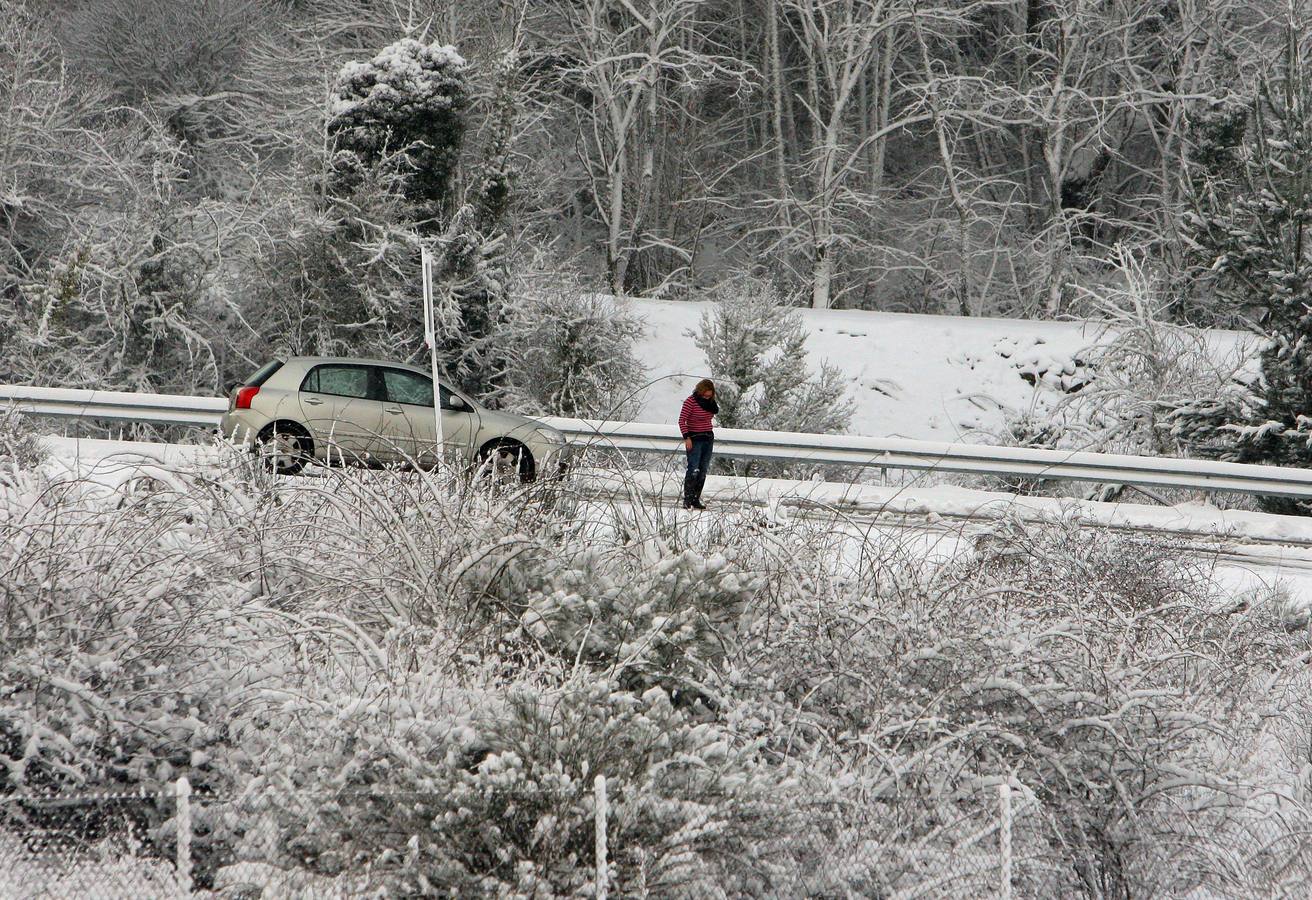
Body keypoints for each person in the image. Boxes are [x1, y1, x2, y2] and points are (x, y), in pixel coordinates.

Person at [678, 379, 718, 510]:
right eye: (705, 395)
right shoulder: (691, 402)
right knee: (693, 469)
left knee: (703, 469)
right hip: (694, 438)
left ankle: (696, 499)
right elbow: (682, 420)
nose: (707, 397)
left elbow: (712, 413)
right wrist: (686, 437)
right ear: (700, 392)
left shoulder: (711, 403)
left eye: (709, 395)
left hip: (708, 437)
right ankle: (687, 499)